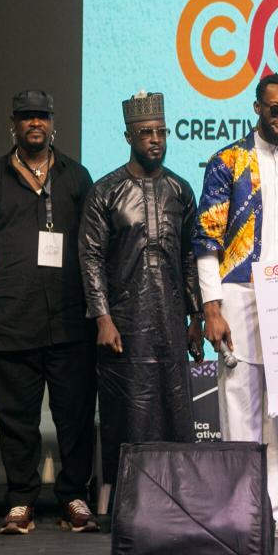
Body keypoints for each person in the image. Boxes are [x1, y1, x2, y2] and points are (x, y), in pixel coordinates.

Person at [193, 72, 278, 544]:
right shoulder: (227, 160)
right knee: (240, 406)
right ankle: (242, 508)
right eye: (276, 108)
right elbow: (206, 240)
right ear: (257, 107)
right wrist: (211, 307)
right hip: (239, 294)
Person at [0, 90, 98, 534]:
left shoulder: (77, 177)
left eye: (42, 116)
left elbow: (93, 246)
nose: (35, 123)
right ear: (13, 124)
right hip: (11, 321)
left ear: (53, 123)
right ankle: (21, 500)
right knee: (17, 422)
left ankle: (74, 496)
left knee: (75, 419)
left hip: (70, 321)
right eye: (27, 117)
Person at [79, 90, 203, 503]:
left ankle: (177, 502)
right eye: (147, 132)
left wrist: (196, 318)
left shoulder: (180, 190)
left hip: (170, 319)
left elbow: (189, 256)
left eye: (161, 132)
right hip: (124, 323)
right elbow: (91, 257)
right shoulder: (106, 191)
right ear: (129, 136)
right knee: (128, 413)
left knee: (174, 409)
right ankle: (127, 503)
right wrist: (102, 317)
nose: (156, 140)